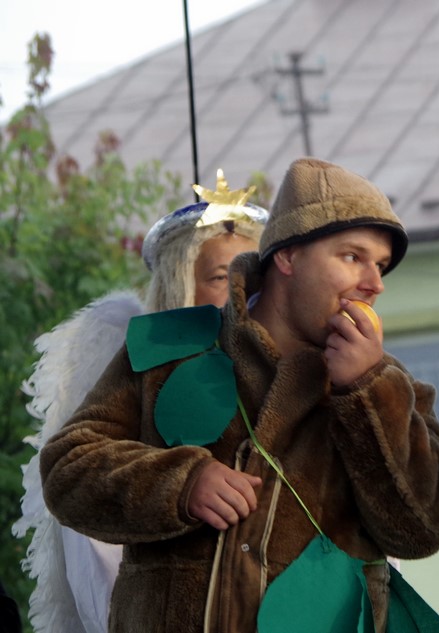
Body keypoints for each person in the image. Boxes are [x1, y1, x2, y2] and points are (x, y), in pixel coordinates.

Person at [39, 157, 439, 633]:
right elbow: (66, 469)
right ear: (288, 256)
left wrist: (366, 391)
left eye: (380, 265)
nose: (375, 283)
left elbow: (424, 529)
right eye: (352, 257)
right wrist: (181, 483)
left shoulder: (389, 385)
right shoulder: (167, 348)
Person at [14, 170, 268, 633]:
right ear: (179, 285)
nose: (240, 291)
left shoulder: (294, 373)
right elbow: (83, 504)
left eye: (251, 275)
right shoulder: (141, 373)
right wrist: (181, 483)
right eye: (221, 276)